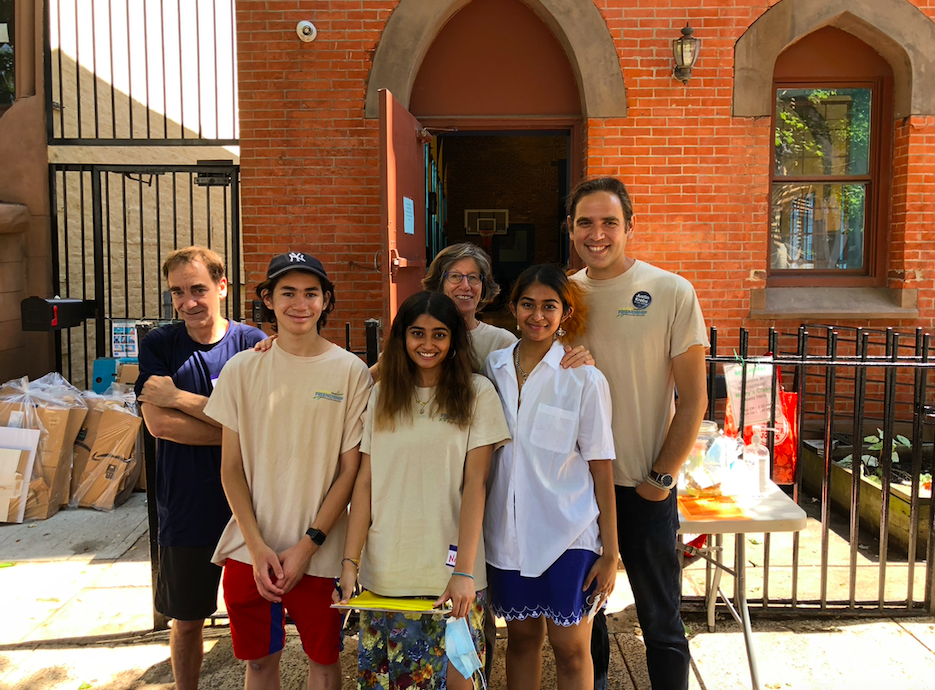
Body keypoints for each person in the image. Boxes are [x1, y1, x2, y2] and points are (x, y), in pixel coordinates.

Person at [203, 251, 372, 689]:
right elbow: (231, 469)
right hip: (248, 550)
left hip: (320, 550)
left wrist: (307, 545)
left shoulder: (350, 372)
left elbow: (348, 471)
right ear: (268, 300)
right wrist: (259, 549)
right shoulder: (242, 368)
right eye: (288, 293)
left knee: (324, 661)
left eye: (311, 293)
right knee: (258, 663)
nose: (300, 303)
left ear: (325, 301)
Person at [567, 178, 709, 690]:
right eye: (586, 222)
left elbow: (694, 399)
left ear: (630, 225)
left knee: (660, 618)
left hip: (644, 485)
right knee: (588, 616)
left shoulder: (670, 290)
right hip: (580, 488)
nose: (597, 233)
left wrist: (660, 478)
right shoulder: (562, 296)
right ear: (571, 229)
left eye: (609, 222)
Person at [334, 291, 511, 690]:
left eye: (439, 334)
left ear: (454, 340)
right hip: (386, 572)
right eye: (417, 333)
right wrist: (350, 561)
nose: (427, 344)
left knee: (459, 681)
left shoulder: (477, 392)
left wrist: (464, 570)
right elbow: (364, 483)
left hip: (452, 575)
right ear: (401, 338)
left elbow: (475, 485)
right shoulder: (381, 394)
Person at [135, 246, 266, 690]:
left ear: (222, 287)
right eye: (177, 292)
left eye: (198, 289)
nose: (188, 301)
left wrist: (178, 398)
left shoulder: (251, 343)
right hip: (187, 505)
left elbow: (264, 422)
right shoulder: (160, 344)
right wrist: (236, 428)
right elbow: (158, 425)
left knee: (259, 618)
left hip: (252, 504)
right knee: (187, 620)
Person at [484, 264, 618, 690]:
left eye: (549, 306)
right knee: (521, 640)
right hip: (508, 537)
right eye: (527, 304)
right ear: (513, 307)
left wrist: (611, 551)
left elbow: (601, 464)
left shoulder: (583, 377)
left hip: (569, 534)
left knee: (571, 649)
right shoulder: (494, 367)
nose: (537, 316)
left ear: (565, 312)